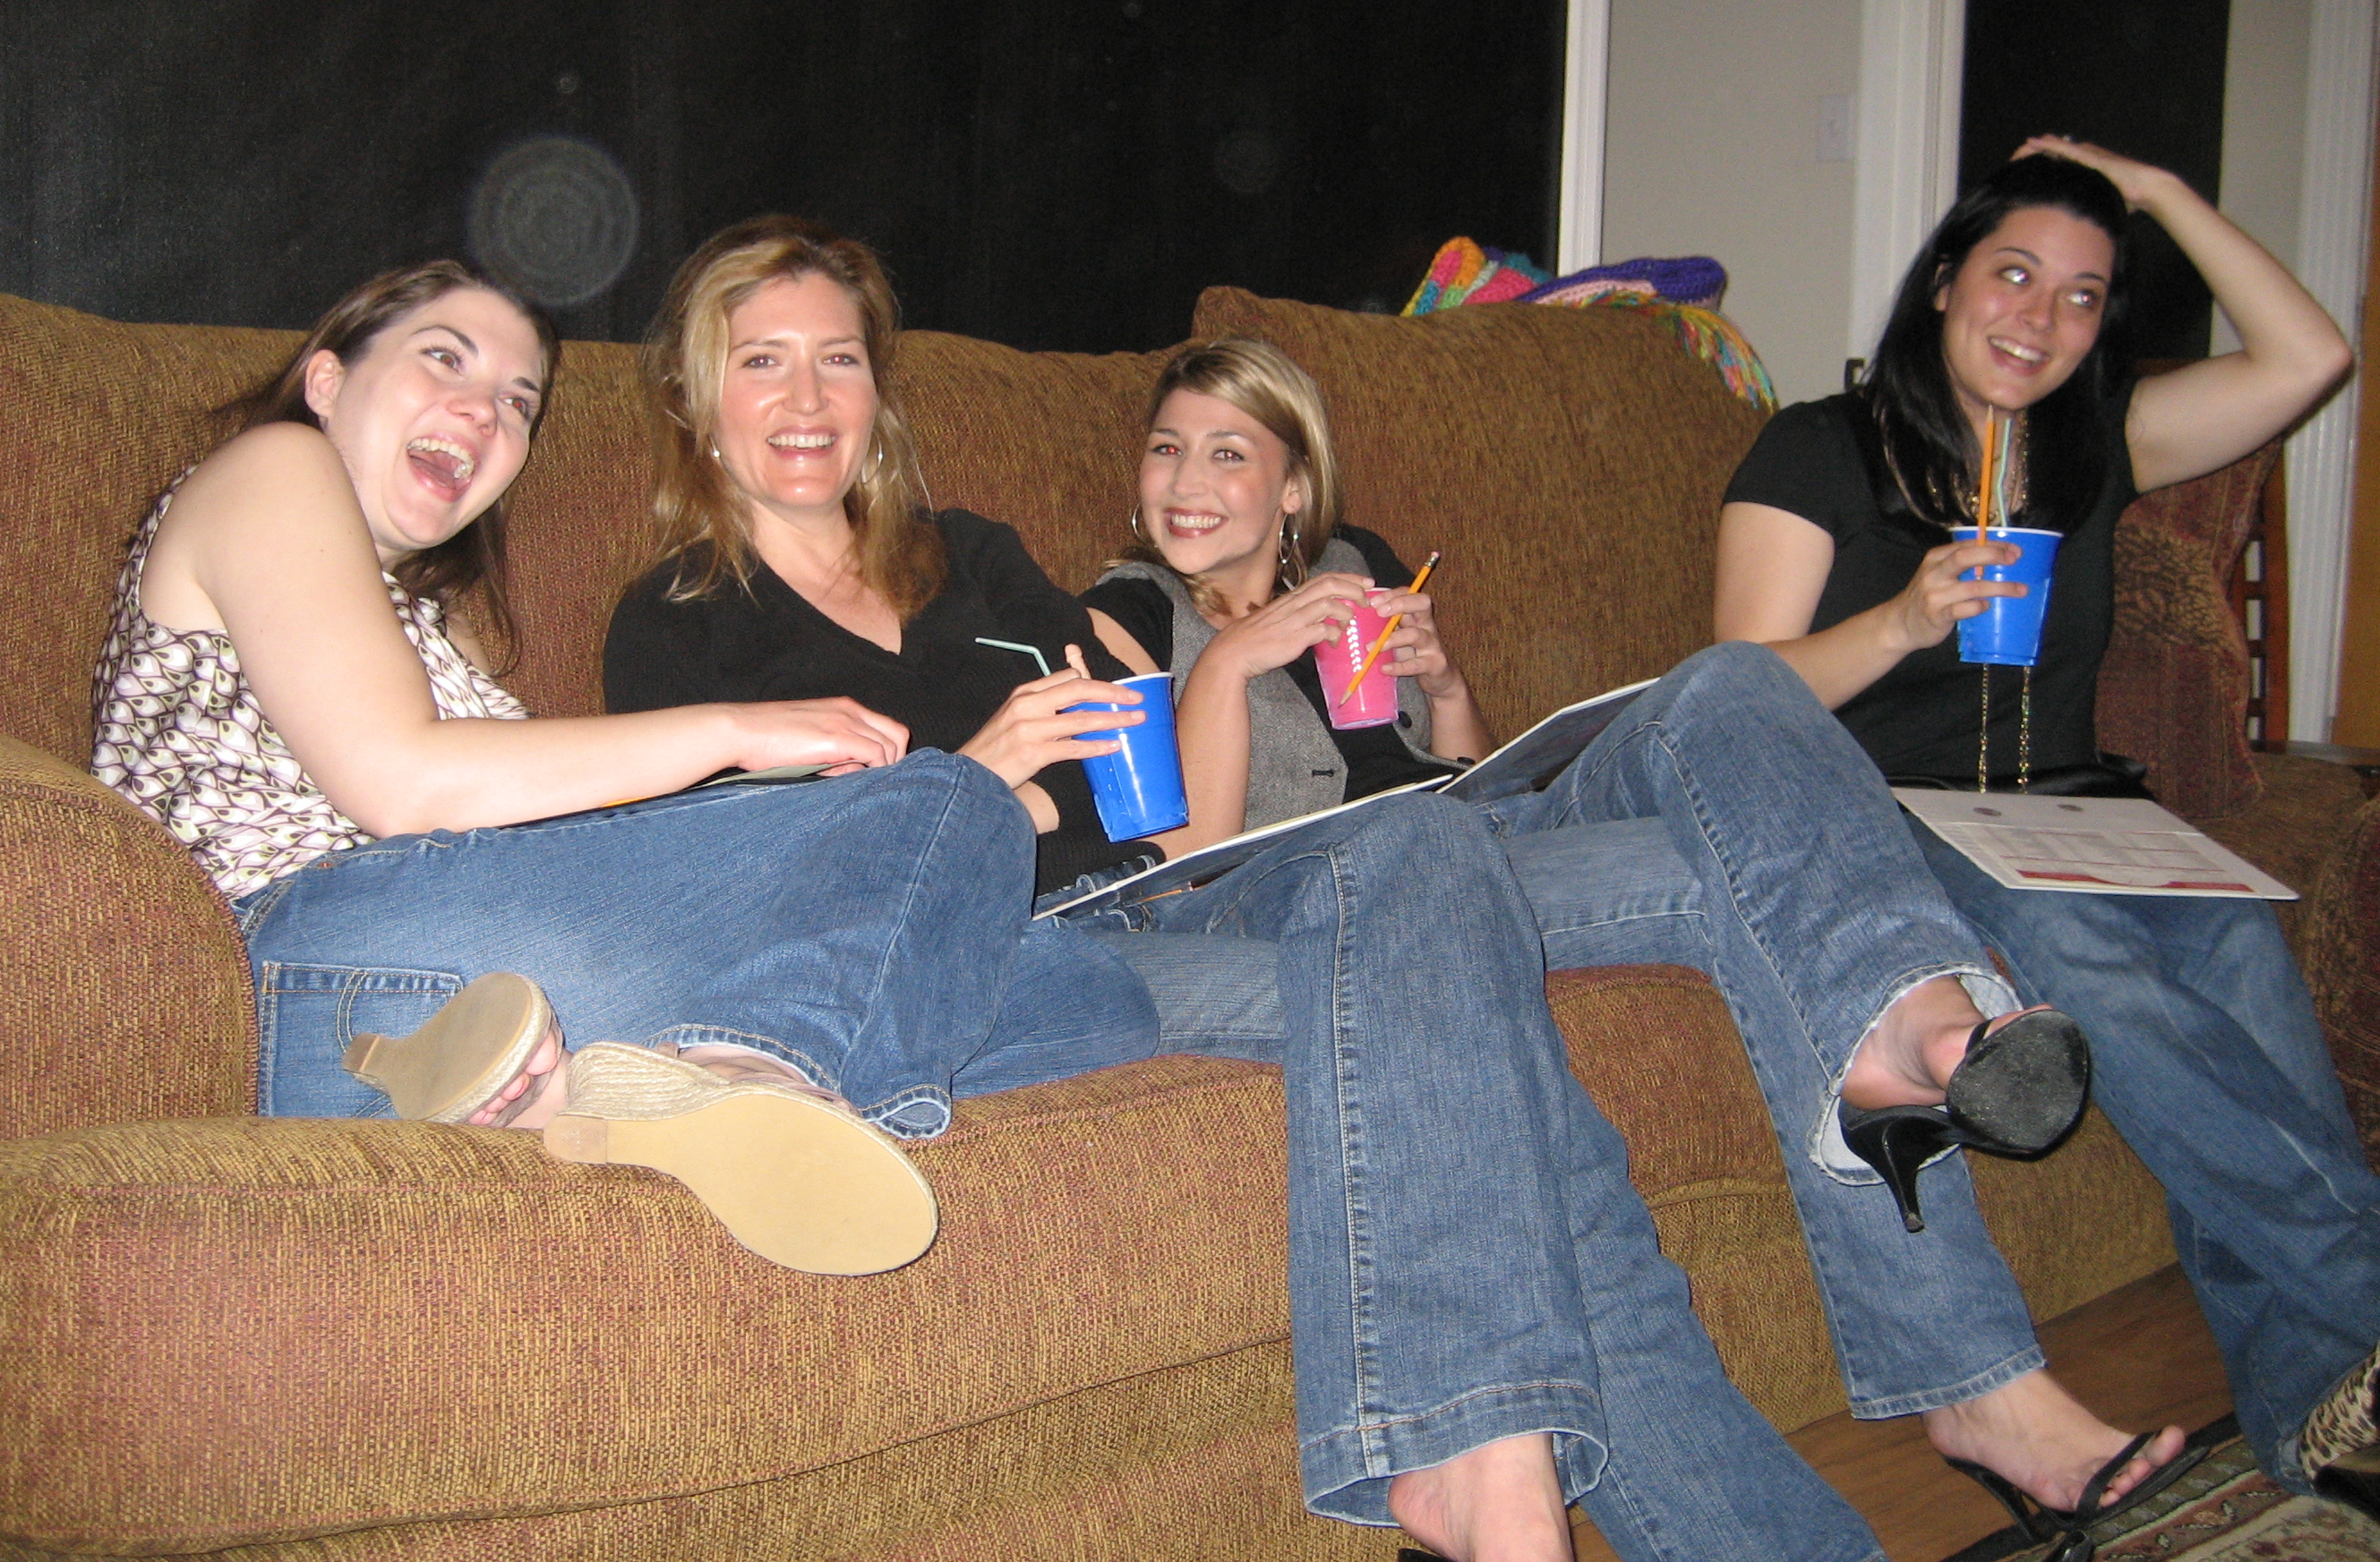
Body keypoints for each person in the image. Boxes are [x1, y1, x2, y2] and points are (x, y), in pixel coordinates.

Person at [604, 218, 2098, 1560]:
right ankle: (1576, 1481)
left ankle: (1880, 1095)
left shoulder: (971, 557)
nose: (807, 397)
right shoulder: (676, 628)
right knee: (1458, 972)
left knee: (1661, 772)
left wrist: (1136, 755)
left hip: (1163, 882)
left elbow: (1129, 771)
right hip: (1037, 951)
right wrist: (979, 779)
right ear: (696, 396)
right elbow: (754, 896)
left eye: (838, 358)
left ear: (878, 388)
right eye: (761, 361)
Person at [1073, 331, 2209, 1540]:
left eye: (1226, 454)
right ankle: (1971, 1382)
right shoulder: (1122, 611)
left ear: (1295, 486)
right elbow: (1189, 858)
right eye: (1166, 449)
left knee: (1733, 689)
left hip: (1473, 847)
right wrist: (1234, 657)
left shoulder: (1364, 571)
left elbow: (1462, 778)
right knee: (1598, 875)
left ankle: (1904, 1013)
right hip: (1298, 890)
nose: (1185, 481)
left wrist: (1445, 686)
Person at [90, 260, 1168, 1279]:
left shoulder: (421, 619)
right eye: (444, 358)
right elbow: (403, 784)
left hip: (475, 1023)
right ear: (327, 380)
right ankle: (762, 1071)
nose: (484, 411)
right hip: (319, 960)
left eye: (517, 400)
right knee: (941, 803)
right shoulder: (273, 466)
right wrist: (736, 731)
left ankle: (625, 1096)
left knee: (1093, 996)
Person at [1712, 137, 2379, 1516]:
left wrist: (2161, 196)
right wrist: (1904, 620)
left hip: (2074, 813)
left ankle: (2321, 1401)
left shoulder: (2091, 449)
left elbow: (2312, 357)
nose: (2042, 317)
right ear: (1944, 282)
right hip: (1887, 821)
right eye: (2013, 275)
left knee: (2241, 953)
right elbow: (1734, 695)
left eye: (2083, 294)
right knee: (2086, 959)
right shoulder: (1821, 448)